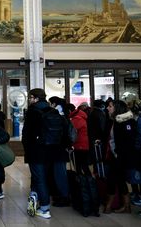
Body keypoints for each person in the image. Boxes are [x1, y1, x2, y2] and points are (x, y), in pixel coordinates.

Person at [22, 89, 68, 219]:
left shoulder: (32, 112)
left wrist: (27, 150)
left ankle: (44, 208)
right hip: (52, 151)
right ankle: (36, 198)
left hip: (36, 152)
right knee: (42, 178)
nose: (30, 100)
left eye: (31, 97)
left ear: (35, 98)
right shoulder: (53, 111)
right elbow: (63, 131)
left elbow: (26, 135)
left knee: (39, 179)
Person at [103, 100, 136, 214]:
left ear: (117, 108)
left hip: (120, 157)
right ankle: (126, 206)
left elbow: (128, 141)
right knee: (120, 180)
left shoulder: (125, 122)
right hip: (114, 156)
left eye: (110, 106)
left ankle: (108, 206)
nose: (108, 108)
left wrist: (118, 153)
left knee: (112, 180)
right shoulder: (113, 121)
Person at [69, 105, 91, 176]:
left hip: (79, 145)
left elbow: (71, 132)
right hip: (84, 145)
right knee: (84, 166)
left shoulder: (77, 119)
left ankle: (84, 184)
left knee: (80, 166)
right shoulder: (81, 117)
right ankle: (88, 183)